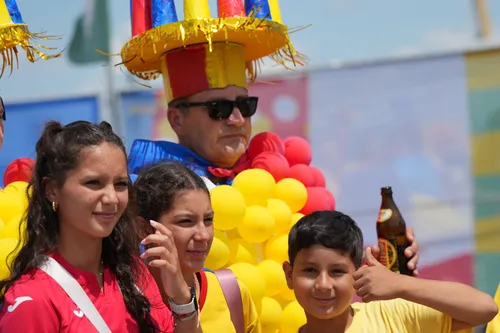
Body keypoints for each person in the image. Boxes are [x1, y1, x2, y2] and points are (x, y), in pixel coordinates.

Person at [122, 0, 420, 274]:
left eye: (245, 105)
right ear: (177, 119)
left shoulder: (279, 178)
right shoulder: (149, 196)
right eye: (219, 108)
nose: (237, 119)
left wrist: (379, 264)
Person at [0, 121, 198, 332]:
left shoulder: (132, 273)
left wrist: (181, 297)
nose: (112, 198)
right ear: (51, 190)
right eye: (94, 183)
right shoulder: (33, 300)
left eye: (120, 184)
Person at [283, 210, 498, 333]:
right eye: (310, 270)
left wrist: (400, 284)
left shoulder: (392, 315)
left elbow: (485, 308)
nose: (323, 284)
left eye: (337, 271)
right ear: (289, 275)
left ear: (358, 273)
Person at [133, 162, 260, 333]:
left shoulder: (232, 293)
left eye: (208, 220)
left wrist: (183, 301)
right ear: (145, 229)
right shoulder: (122, 299)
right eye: (186, 221)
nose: (203, 235)